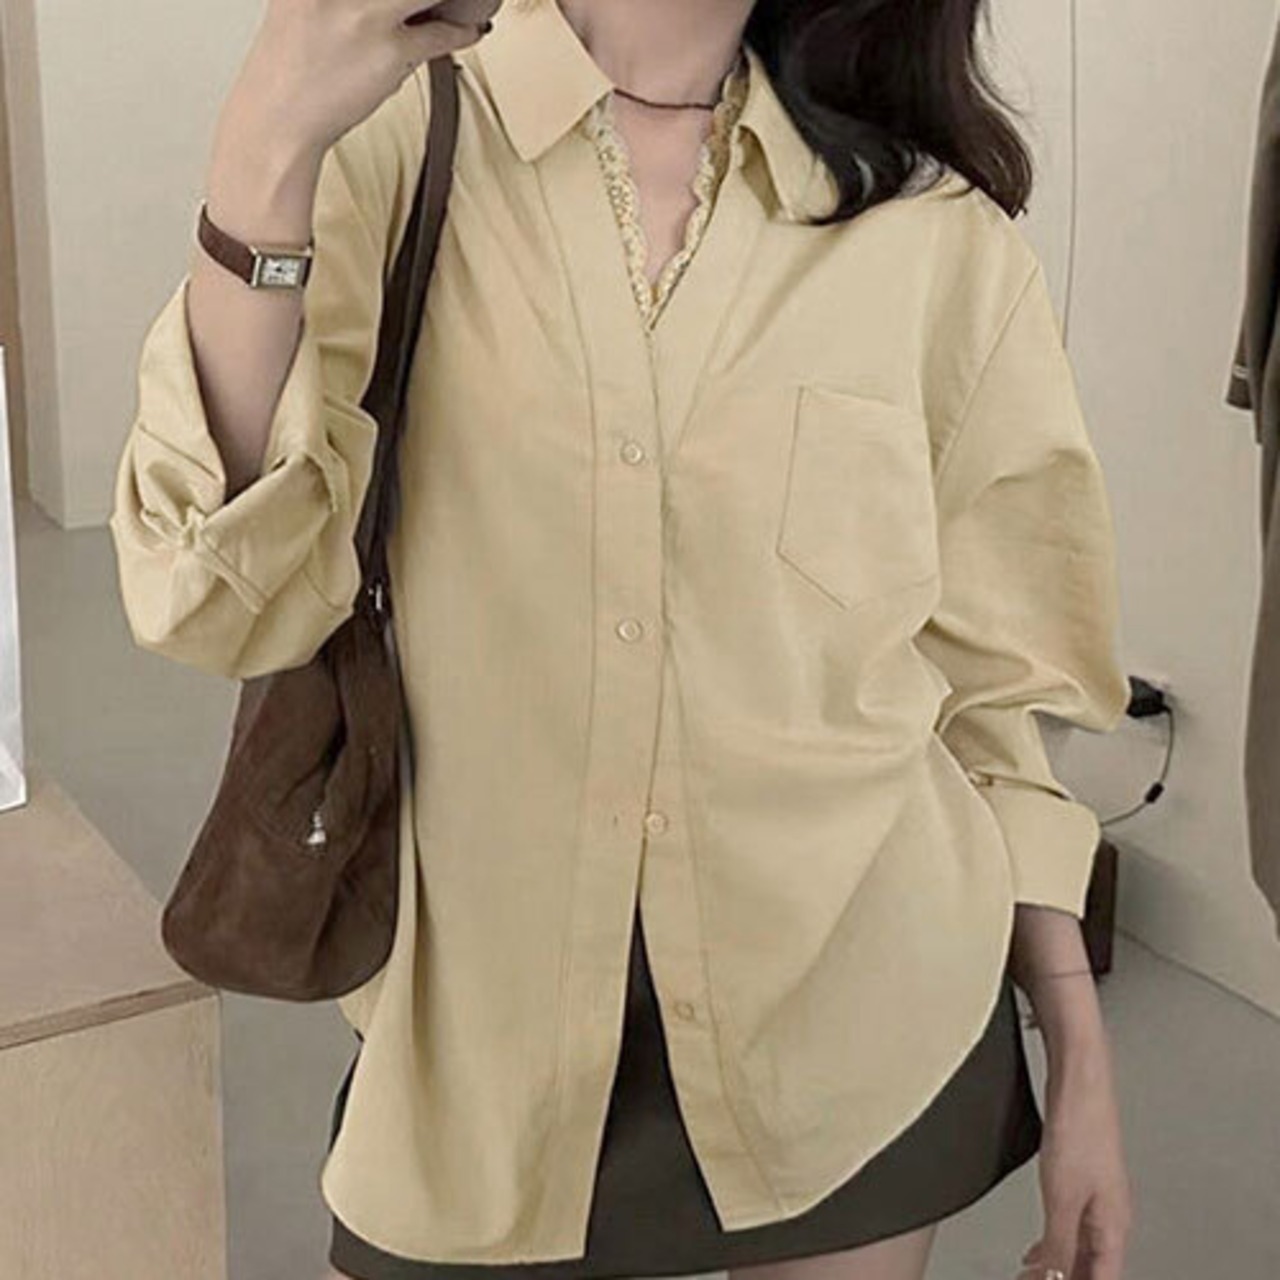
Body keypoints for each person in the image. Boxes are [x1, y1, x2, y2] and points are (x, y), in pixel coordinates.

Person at [109, 2, 1135, 1279]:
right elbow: (210, 594)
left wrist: (1076, 1048)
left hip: (860, 1041)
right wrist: (265, 135)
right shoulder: (390, 143)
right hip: (483, 1076)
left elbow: (994, 692)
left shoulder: (933, 231)